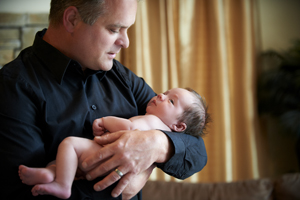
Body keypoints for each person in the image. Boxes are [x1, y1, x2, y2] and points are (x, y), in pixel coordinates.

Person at [0, 0, 208, 199]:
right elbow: (21, 194)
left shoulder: (122, 77)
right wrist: (124, 189)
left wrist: (157, 144)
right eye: (114, 29)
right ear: (72, 19)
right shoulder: (13, 88)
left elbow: (197, 152)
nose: (125, 42)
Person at [18, 87, 209, 199]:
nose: (161, 96)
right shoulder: (156, 119)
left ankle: (61, 184)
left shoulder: (153, 122)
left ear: (178, 126)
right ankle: (51, 174)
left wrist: (106, 120)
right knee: (69, 162)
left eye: (171, 101)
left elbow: (130, 130)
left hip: (106, 156)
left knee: (69, 145)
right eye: (165, 93)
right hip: (110, 169)